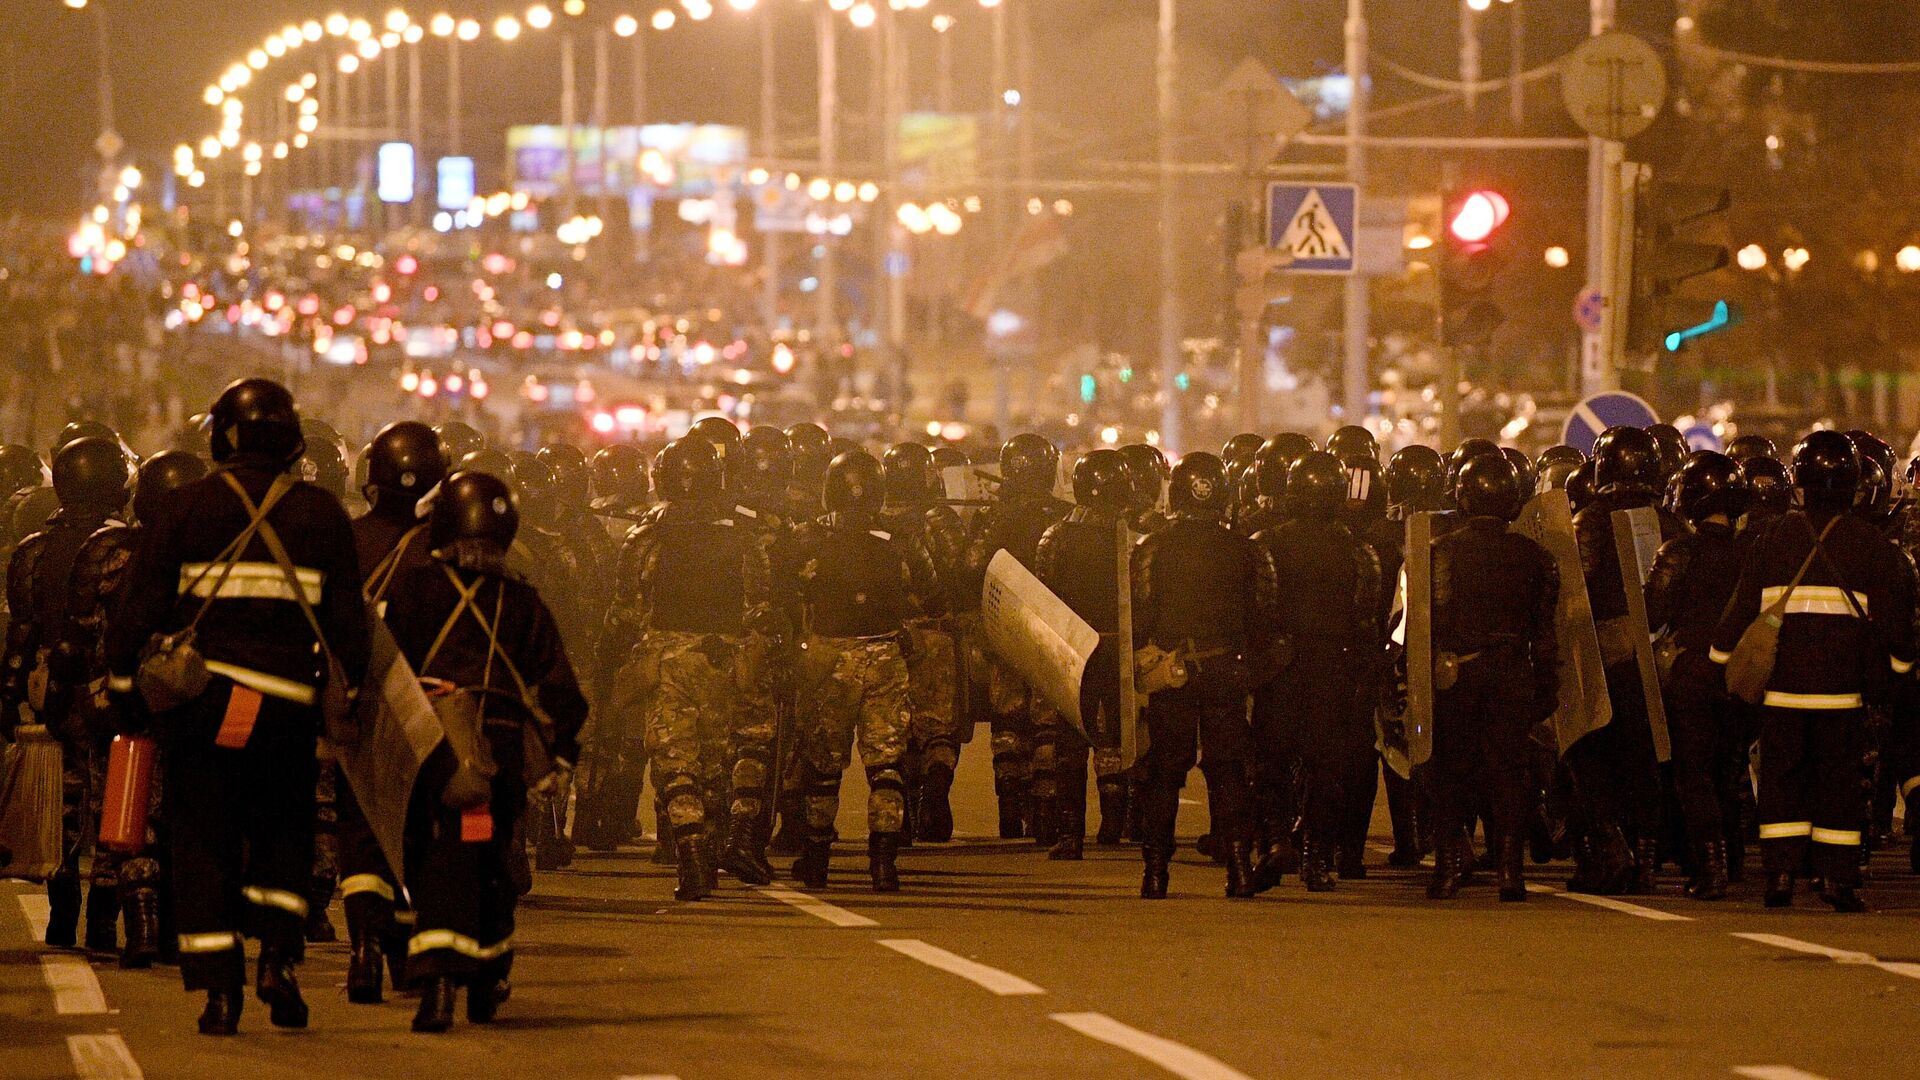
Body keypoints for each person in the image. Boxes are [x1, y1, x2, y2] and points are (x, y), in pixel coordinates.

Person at [105, 378, 370, 1035]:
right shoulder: (320, 515)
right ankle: (278, 956)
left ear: (220, 436)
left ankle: (219, 991)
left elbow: (137, 609)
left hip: (203, 702)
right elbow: (348, 629)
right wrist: (350, 701)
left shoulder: (184, 509)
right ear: (292, 441)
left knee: (203, 842)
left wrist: (122, 690)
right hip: (286, 710)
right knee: (284, 834)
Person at [384, 470, 587, 1032]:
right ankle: (491, 970)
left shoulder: (415, 588)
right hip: (498, 746)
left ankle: (438, 976)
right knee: (493, 856)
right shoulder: (523, 601)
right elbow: (561, 689)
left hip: (432, 741)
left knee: (433, 849)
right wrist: (561, 751)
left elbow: (386, 667)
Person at [1710, 431, 1915, 912]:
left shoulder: (1774, 538)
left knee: (1781, 782)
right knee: (1838, 786)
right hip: (1843, 695)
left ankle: (1780, 875)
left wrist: (1722, 661)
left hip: (1781, 693)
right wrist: (1898, 673)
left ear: (1799, 484)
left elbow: (1740, 612)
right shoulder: (1871, 544)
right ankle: (1837, 880)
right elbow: (1895, 621)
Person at [613, 438, 776, 898]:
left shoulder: (644, 537)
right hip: (730, 656)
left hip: (668, 658)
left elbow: (626, 608)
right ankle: (741, 836)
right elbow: (761, 603)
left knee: (675, 758)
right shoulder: (744, 534)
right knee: (747, 745)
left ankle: (691, 855)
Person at [65, 450, 206, 968]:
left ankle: (137, 923)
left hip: (119, 698)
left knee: (126, 809)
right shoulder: (214, 558)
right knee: (181, 814)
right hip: (190, 698)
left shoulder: (105, 551)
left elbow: (76, 633)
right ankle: (168, 929)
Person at [1, 436, 132, 949]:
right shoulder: (125, 546)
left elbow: (21, 633)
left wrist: (13, 696)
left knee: (60, 802)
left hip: (48, 691)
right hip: (106, 693)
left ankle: (62, 911)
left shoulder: (32, 551)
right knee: (111, 802)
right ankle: (103, 915)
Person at [1132, 453, 1280, 899]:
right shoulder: (1248, 548)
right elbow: (1264, 615)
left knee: (1163, 772)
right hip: (1226, 670)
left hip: (1171, 670)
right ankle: (1237, 871)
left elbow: (1137, 612)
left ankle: (1155, 874)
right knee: (1229, 770)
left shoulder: (1153, 547)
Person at [790, 451, 936, 891]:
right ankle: (883, 863)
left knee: (822, 766)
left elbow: (781, 591)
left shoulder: (805, 538)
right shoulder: (900, 537)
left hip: (828, 657)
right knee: (887, 764)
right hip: (885, 655)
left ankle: (816, 861)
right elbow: (933, 593)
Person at [340, 420, 447, 1004]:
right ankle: (409, 953)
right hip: (430, 709)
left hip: (365, 702)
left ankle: (363, 951)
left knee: (360, 831)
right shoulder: (445, 547)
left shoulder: (346, 541)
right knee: (421, 830)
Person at [1425, 454, 1559, 901]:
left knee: (1449, 769)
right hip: (1513, 672)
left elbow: (1430, 621)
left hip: (1457, 673)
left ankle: (1447, 869)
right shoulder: (1535, 556)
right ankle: (1509, 872)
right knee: (1509, 773)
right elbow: (1544, 632)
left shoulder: (1441, 551)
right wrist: (1545, 690)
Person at [1248, 452, 1382, 891]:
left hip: (1281, 669)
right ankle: (1314, 857)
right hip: (1332, 668)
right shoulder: (1358, 552)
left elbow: (1256, 611)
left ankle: (1276, 839)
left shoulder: (1266, 542)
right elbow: (1367, 620)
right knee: (1327, 768)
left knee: (1272, 761)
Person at [1567, 427, 1672, 895]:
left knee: (1589, 755)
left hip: (1603, 659)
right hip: (1659, 658)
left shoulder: (1588, 522)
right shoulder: (1670, 523)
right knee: (1645, 760)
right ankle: (1644, 857)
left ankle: (1612, 850)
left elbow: (1574, 589)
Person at [1645, 451, 1751, 900]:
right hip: (1743, 674)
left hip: (1691, 671)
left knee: (1695, 772)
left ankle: (1710, 866)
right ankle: (1738, 859)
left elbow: (1653, 613)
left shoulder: (1679, 551)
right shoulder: (1754, 552)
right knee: (1732, 767)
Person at [965, 434, 1070, 839]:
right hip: (1050, 631)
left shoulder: (997, 519)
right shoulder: (1064, 516)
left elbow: (970, 568)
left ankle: (1010, 810)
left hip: (1006, 630)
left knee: (1008, 722)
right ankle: (1045, 812)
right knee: (1046, 721)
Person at [1033, 450, 1134, 857]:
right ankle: (1113, 823)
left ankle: (1071, 835)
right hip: (1117, 647)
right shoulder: (1132, 538)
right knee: (1114, 734)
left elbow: (1045, 594)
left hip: (1074, 649)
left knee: (1071, 739)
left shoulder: (1057, 536)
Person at [880, 443, 966, 844]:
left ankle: (899, 814)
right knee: (938, 727)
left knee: (893, 728)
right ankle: (935, 791)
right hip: (935, 631)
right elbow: (963, 568)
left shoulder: (874, 521)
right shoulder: (940, 520)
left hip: (887, 635)